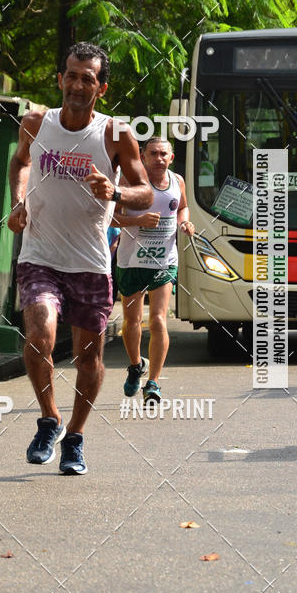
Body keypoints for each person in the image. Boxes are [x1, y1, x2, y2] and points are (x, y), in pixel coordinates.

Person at [7, 42, 153, 474]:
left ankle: (75, 437)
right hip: (39, 255)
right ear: (60, 80)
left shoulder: (115, 134)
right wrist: (18, 201)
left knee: (89, 357)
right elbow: (20, 163)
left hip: (90, 261)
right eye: (71, 75)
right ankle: (49, 419)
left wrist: (117, 192)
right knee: (40, 334)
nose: (77, 84)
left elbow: (145, 191)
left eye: (87, 78)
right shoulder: (35, 123)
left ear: (101, 88)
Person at [114, 137, 194, 403]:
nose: (159, 158)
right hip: (132, 261)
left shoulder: (177, 181)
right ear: (142, 156)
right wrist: (138, 221)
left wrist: (185, 224)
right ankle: (136, 365)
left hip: (164, 261)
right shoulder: (130, 181)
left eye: (164, 154)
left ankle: (154, 383)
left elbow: (182, 208)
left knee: (159, 319)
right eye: (153, 154)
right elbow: (110, 217)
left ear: (171, 157)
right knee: (132, 322)